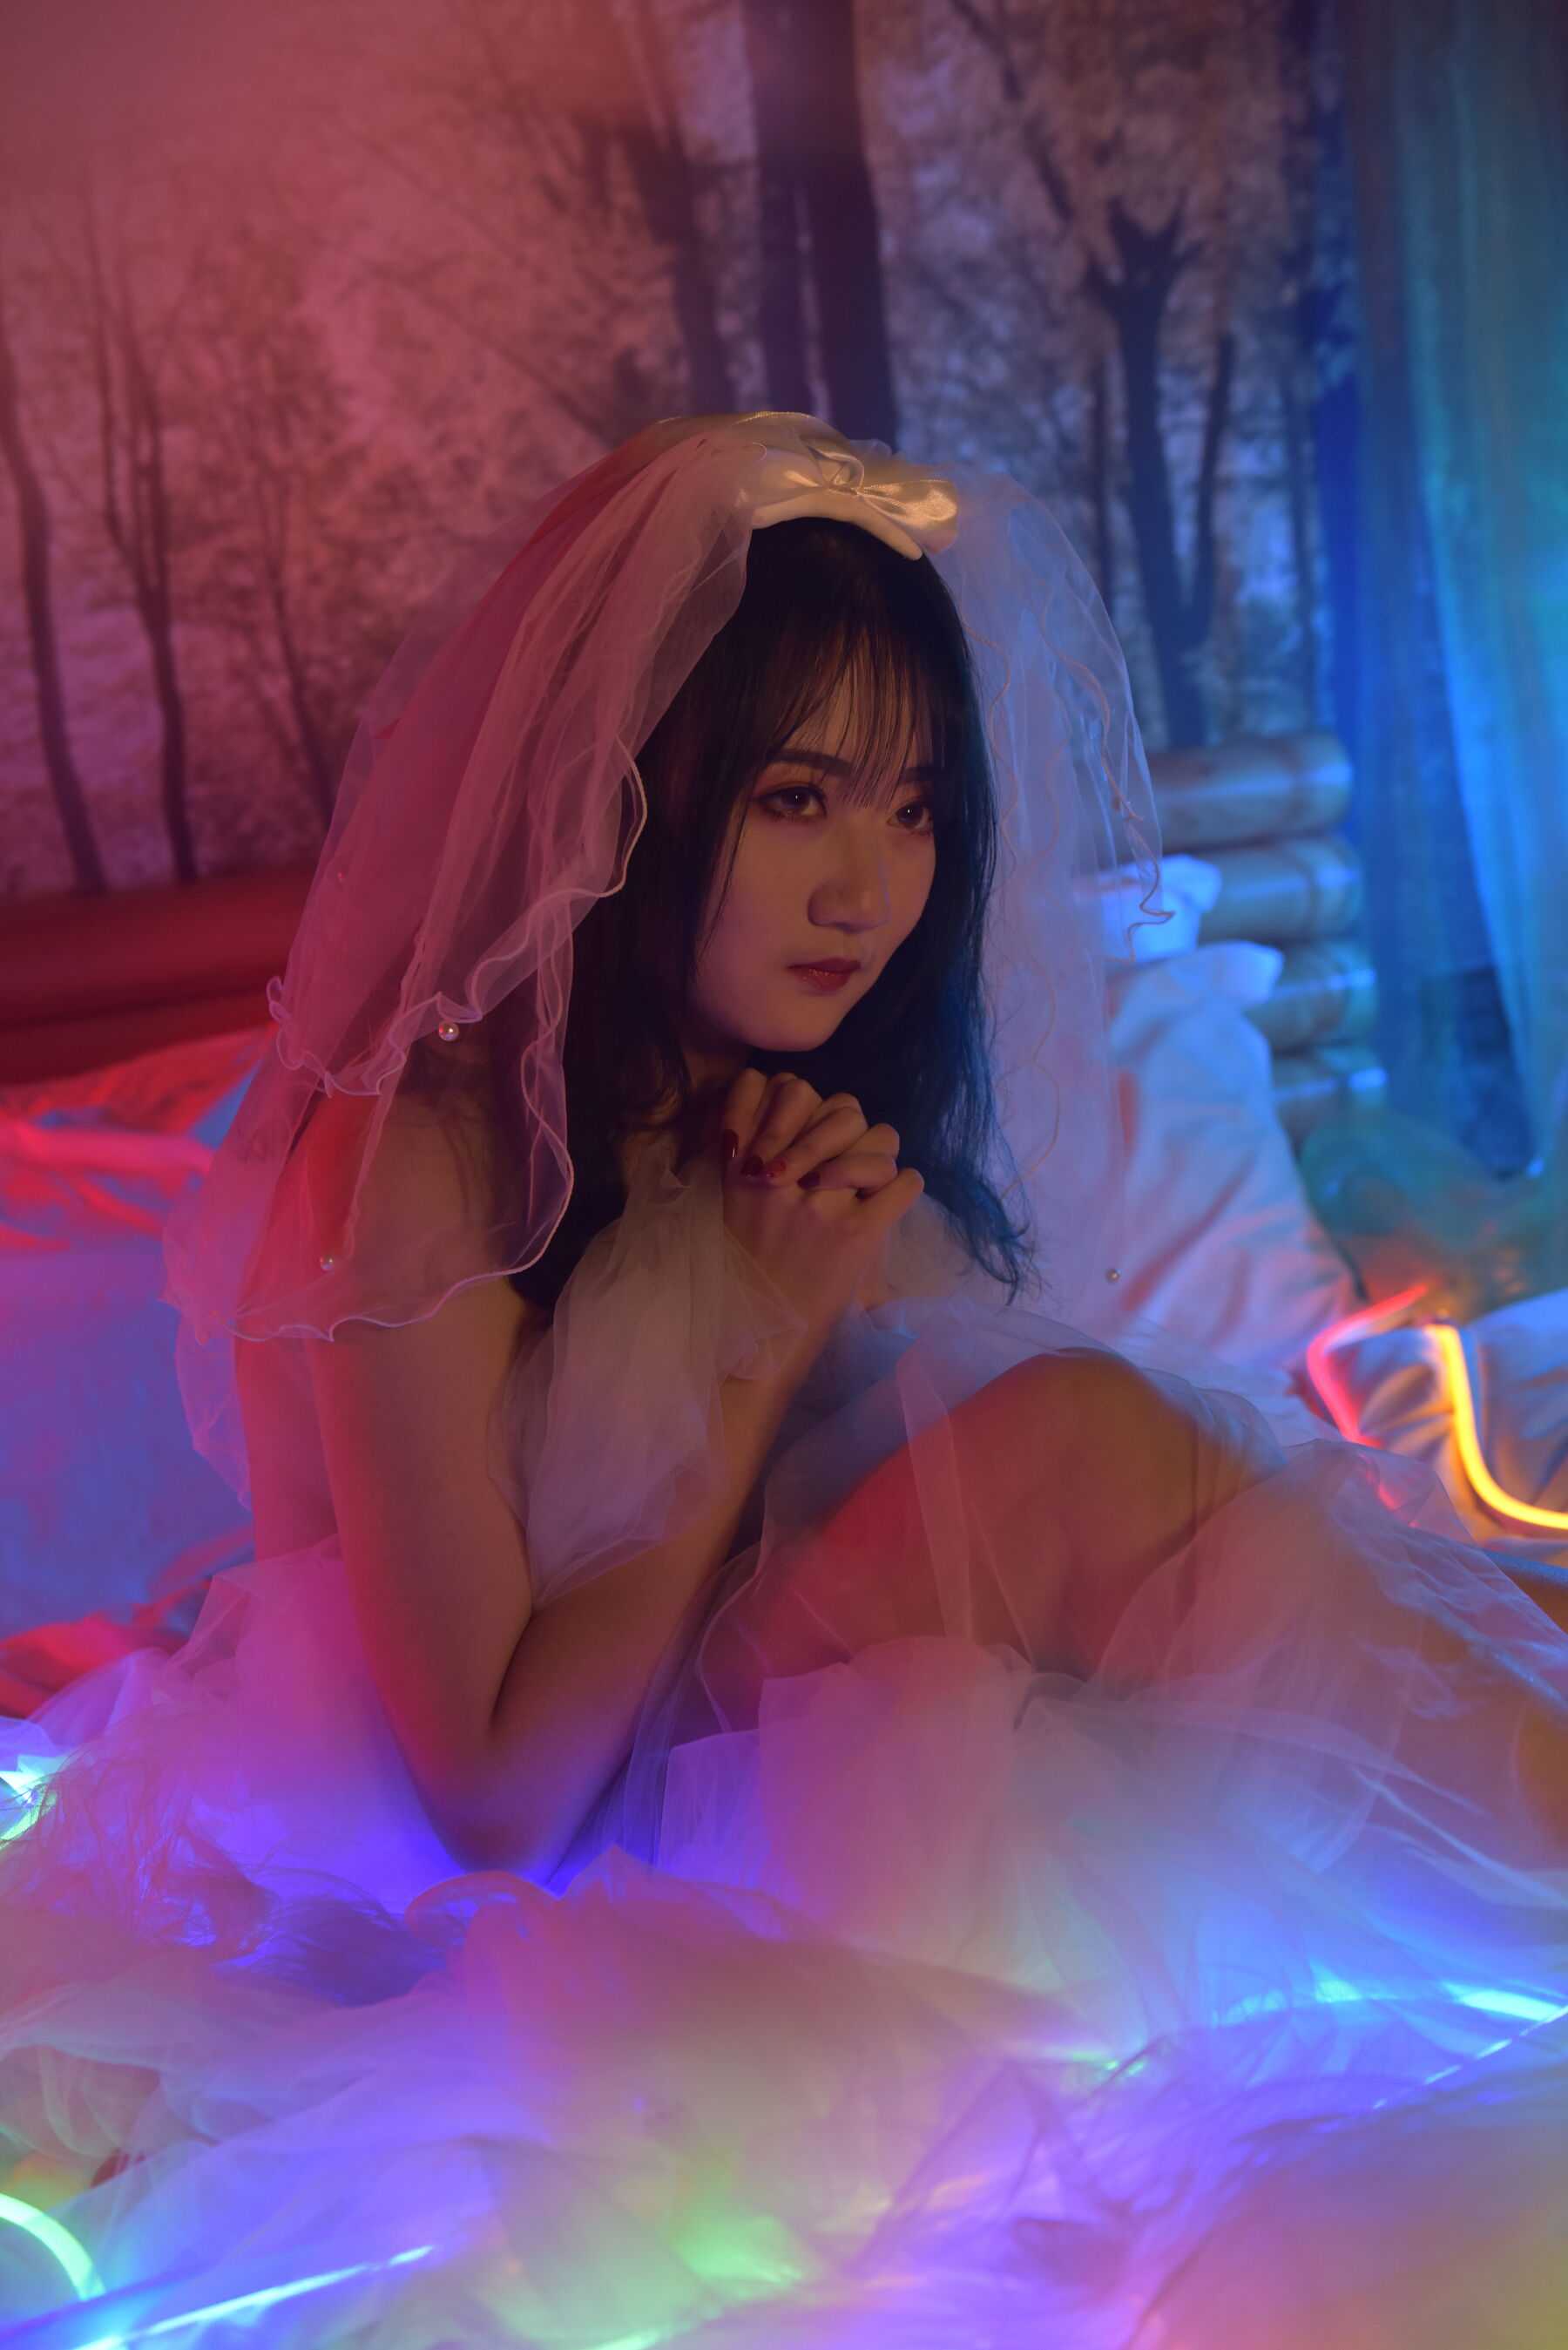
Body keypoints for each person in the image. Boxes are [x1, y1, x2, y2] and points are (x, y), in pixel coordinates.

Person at [2, 413, 1566, 2346]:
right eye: (798, 797)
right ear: (629, 799)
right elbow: (493, 1796)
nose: (868, 888)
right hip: (504, 1882)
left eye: (913, 808)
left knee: (1245, 1555)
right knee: (1083, 1455)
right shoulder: (426, 1150)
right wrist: (754, 1330)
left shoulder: (767, 1098)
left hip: (783, 1745)